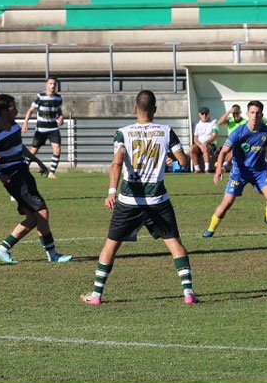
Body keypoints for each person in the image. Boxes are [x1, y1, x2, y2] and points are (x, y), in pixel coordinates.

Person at [82, 89, 194, 305]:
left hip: (129, 200)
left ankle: (96, 295)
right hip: (158, 200)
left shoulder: (123, 133)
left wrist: (111, 192)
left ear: (135, 108)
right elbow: (184, 161)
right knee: (174, 243)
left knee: (111, 245)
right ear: (155, 109)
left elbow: (117, 162)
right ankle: (188, 293)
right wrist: (171, 157)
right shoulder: (166, 131)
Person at [0, 94, 75, 265]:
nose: (17, 110)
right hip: (13, 178)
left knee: (32, 218)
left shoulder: (14, 127)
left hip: (24, 173)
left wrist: (38, 161)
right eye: (13, 107)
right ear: (4, 111)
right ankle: (52, 254)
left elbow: (20, 147)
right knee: (42, 212)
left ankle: (2, 249)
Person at [203, 100, 267, 239]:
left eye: (257, 113)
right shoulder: (239, 132)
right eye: (252, 112)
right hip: (239, 172)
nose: (254, 116)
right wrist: (218, 169)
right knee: (227, 203)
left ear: (262, 115)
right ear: (247, 114)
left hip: (259, 172)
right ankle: (210, 229)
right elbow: (223, 152)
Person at [23, 77, 65, 179]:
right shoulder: (40, 97)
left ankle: (51, 173)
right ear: (46, 84)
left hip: (53, 128)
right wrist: (25, 123)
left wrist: (60, 117)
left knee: (57, 149)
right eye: (51, 83)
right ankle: (23, 169)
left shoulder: (58, 98)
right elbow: (31, 110)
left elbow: (59, 111)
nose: (53, 86)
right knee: (33, 151)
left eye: (54, 84)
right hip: (41, 130)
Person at [190, 106, 219, 173]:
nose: (204, 115)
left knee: (205, 147)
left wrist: (205, 143)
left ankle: (207, 169)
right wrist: (200, 145)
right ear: (199, 114)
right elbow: (195, 138)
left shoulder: (214, 122)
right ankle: (197, 169)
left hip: (211, 144)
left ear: (209, 114)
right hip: (199, 145)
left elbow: (214, 136)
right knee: (191, 148)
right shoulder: (197, 123)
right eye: (202, 114)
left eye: (206, 114)